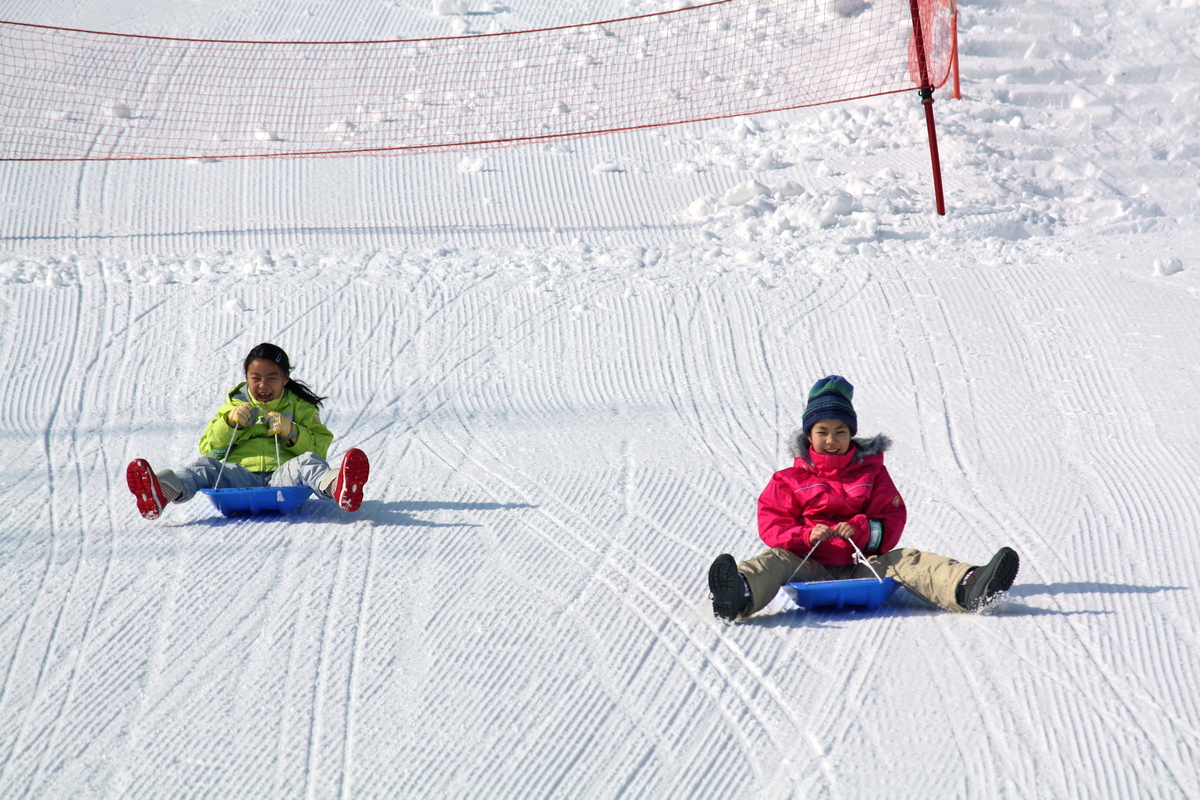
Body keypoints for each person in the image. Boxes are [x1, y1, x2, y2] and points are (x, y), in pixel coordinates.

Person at [708, 375, 1019, 622]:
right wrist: (805, 534)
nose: (832, 441)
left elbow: (892, 519)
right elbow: (772, 525)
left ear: (852, 433)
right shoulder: (790, 480)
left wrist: (861, 529)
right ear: (809, 435)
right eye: (822, 431)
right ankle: (740, 593)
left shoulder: (871, 474)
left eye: (841, 431)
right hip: (808, 566)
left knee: (905, 558)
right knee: (773, 560)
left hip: (861, 566)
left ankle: (968, 587)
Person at [126, 342, 370, 519]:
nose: (263, 385)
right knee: (204, 465)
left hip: (282, 477)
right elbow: (209, 447)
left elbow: (320, 447)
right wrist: (230, 423)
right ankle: (164, 489)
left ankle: (338, 486)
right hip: (239, 476)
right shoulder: (233, 406)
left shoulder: (300, 408)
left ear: (285, 379)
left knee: (308, 461)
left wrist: (293, 432)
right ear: (247, 378)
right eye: (256, 378)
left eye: (272, 378)